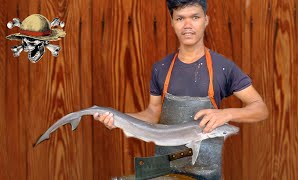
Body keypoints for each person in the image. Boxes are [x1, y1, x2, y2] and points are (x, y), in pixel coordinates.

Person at [94, 0, 268, 178]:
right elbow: (152, 115)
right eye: (180, 18)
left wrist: (227, 114)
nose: (187, 25)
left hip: (204, 174)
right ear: (172, 22)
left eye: (195, 17)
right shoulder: (160, 68)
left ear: (205, 20)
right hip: (162, 171)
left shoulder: (223, 68)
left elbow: (260, 109)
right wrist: (117, 119)